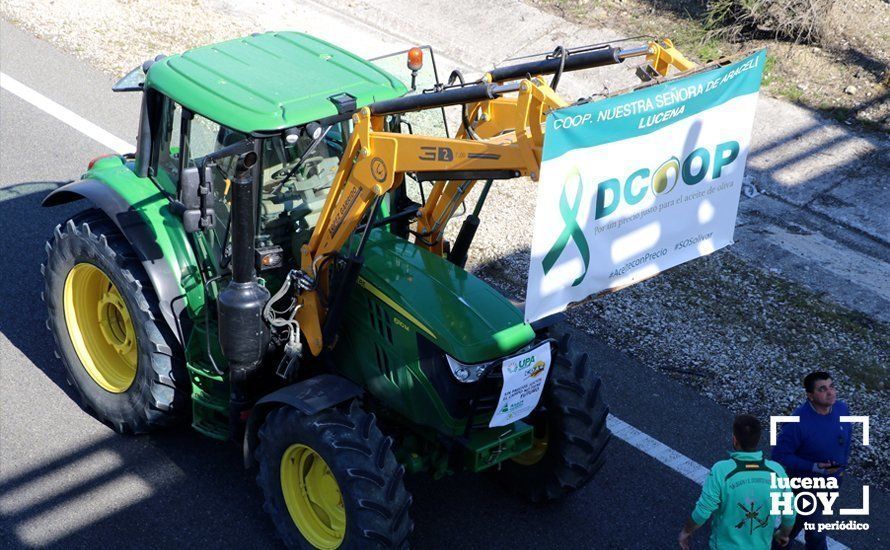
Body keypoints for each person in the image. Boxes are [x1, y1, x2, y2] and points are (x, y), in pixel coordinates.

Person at [678, 415, 795, 550]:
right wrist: (783, 534)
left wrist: (686, 532)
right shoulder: (777, 471)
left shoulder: (721, 470)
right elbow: (790, 513)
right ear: (757, 440)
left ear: (734, 439)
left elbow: (703, 512)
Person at [771, 371, 852, 550]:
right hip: (806, 486)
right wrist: (814, 467)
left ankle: (776, 545)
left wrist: (842, 468)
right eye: (822, 389)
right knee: (816, 533)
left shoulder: (842, 409)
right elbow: (779, 455)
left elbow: (846, 439)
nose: (830, 392)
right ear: (810, 395)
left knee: (795, 524)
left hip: (831, 483)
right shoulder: (797, 423)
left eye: (831, 386)